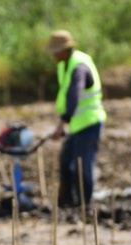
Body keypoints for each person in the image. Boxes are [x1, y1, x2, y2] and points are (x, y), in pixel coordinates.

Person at [47, 30, 106, 208]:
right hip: (76, 125)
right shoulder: (64, 64)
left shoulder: (79, 66)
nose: (54, 55)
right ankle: (66, 203)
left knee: (82, 166)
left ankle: (84, 204)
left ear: (65, 50)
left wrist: (61, 124)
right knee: (66, 162)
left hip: (89, 123)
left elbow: (74, 96)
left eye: (56, 51)